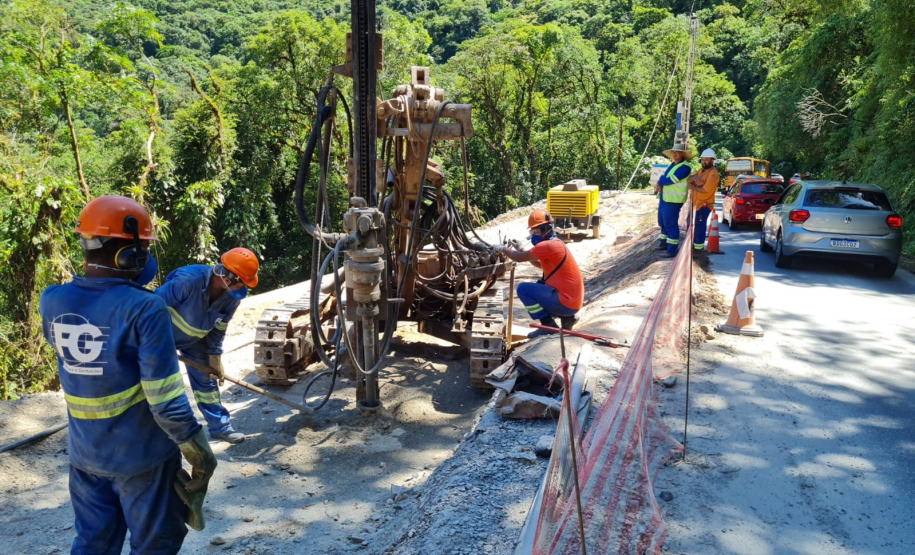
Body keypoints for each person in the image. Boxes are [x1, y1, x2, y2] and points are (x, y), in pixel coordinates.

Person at [39, 195, 217, 555]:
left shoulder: (52, 300)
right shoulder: (145, 308)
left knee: (93, 544)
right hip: (142, 459)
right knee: (155, 544)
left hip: (85, 457)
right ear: (131, 253)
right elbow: (165, 401)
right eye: (144, 248)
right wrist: (197, 448)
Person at [155, 248, 259, 444]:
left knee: (207, 383)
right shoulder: (188, 281)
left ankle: (221, 428)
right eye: (242, 284)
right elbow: (150, 307)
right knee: (162, 384)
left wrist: (215, 357)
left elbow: (220, 327)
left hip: (196, 342)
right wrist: (153, 341)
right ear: (227, 278)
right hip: (161, 338)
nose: (243, 288)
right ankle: (162, 435)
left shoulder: (231, 297)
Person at [494, 210, 584, 339]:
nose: (534, 235)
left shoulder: (547, 246)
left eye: (536, 231)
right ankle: (568, 317)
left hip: (566, 302)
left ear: (546, 229)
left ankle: (548, 326)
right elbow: (539, 264)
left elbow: (519, 258)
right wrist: (521, 249)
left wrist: (502, 249)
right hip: (573, 302)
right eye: (532, 232)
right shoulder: (556, 243)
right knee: (541, 285)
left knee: (523, 289)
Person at [657, 141, 693, 258]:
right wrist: (661, 182)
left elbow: (672, 180)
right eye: (673, 152)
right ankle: (664, 243)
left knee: (671, 224)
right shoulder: (672, 165)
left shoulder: (685, 167)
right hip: (665, 198)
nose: (675, 154)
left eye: (677, 152)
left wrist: (660, 182)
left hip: (674, 200)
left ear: (682, 154)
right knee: (662, 222)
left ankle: (672, 250)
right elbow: (664, 177)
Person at [687, 148, 720, 252]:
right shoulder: (701, 171)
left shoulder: (713, 174)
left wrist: (693, 186)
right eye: (703, 159)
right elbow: (689, 179)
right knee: (692, 226)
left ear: (712, 160)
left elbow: (705, 190)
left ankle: (698, 250)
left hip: (704, 206)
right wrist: (693, 179)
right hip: (695, 203)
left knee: (699, 228)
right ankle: (692, 247)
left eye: (707, 159)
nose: (704, 161)